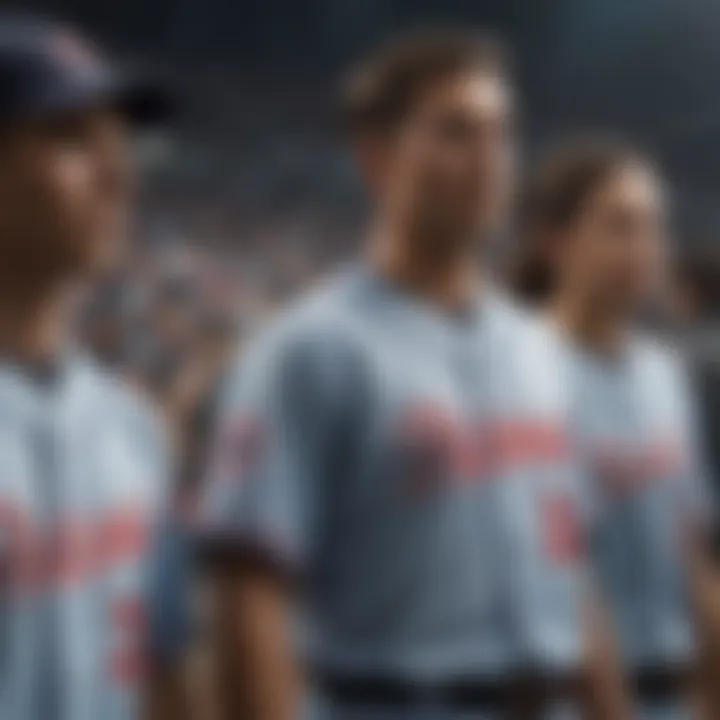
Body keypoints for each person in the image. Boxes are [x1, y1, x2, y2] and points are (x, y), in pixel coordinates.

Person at [199, 29, 628, 720]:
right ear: (379, 159)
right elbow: (252, 595)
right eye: (456, 132)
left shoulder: (539, 349)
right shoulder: (312, 348)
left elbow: (572, 569)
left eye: (502, 132)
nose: (489, 157)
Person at [0, 15, 189, 720]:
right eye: (72, 138)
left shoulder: (133, 429)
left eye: (121, 142)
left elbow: (160, 676)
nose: (119, 174)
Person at [514, 138, 720, 720]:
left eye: (654, 228)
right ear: (554, 240)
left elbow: (693, 547)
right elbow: (556, 571)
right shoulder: (517, 372)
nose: (645, 248)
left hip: (670, 691)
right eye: (619, 226)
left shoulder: (662, 374)